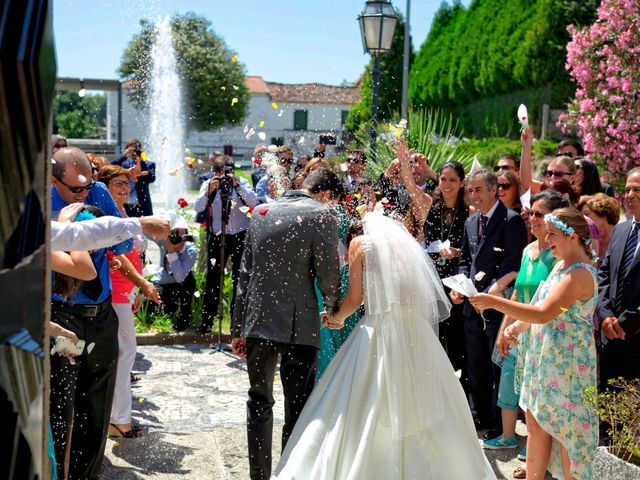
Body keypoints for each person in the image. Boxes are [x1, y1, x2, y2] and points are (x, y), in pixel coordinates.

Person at [273, 210, 497, 480]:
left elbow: (355, 300)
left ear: (355, 235)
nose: (347, 255)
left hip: (379, 329)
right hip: (415, 333)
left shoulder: (360, 244)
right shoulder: (403, 251)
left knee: (367, 401)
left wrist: (336, 318)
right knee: (420, 401)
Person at [231, 168, 344, 480]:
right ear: (326, 195)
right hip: (300, 325)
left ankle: (259, 476)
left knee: (258, 401)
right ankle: (289, 473)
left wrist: (238, 328)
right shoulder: (321, 214)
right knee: (297, 406)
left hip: (258, 321)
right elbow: (328, 271)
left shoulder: (261, 212)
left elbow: (244, 275)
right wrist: (333, 307)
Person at [470, 207, 599, 480]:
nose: (547, 238)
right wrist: (516, 326)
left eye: (553, 234)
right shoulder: (561, 266)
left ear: (572, 236)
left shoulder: (579, 275)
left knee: (566, 433)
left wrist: (493, 301)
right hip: (545, 361)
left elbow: (544, 313)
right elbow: (539, 305)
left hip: (567, 367)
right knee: (537, 425)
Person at [50, 147, 133, 479]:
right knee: (61, 404)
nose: (84, 193)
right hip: (64, 318)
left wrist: (102, 236)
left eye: (89, 185)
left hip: (101, 315)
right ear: (54, 180)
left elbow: (124, 240)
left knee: (96, 405)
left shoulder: (97, 192)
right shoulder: (42, 202)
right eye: (75, 189)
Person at [482, 190, 568, 478]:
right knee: (516, 391)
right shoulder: (528, 250)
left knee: (542, 404)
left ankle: (540, 461)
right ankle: (527, 455)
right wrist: (505, 328)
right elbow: (519, 292)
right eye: (531, 213)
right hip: (518, 331)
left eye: (539, 214)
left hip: (546, 337)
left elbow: (550, 306)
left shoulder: (560, 259)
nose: (532, 218)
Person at [451, 168, 528, 440]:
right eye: (470, 190)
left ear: (494, 190)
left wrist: (490, 296)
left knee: (497, 366)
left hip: (499, 303)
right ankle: (480, 415)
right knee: (475, 364)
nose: (473, 195)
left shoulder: (511, 220)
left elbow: (512, 264)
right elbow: (464, 260)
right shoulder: (470, 222)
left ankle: (498, 422)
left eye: (479, 190)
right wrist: (459, 288)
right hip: (472, 305)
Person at [98, 165, 161, 438]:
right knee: (125, 354)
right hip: (112, 289)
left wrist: (136, 292)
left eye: (126, 184)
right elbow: (117, 258)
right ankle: (119, 419)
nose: (124, 189)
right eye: (117, 184)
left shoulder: (123, 213)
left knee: (123, 354)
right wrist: (143, 285)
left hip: (126, 292)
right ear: (104, 187)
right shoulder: (104, 217)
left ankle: (117, 414)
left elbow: (136, 257)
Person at [195, 156, 258, 333]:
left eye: (227, 171)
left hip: (239, 236)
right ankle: (207, 321)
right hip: (217, 235)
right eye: (219, 171)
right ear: (214, 171)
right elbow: (198, 207)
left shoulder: (241, 182)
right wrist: (208, 191)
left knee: (240, 278)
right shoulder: (209, 184)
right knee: (213, 279)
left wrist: (236, 185)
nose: (223, 175)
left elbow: (253, 202)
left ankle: (236, 324)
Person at [423, 160, 470, 392]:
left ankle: (459, 391)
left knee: (456, 338)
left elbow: (472, 248)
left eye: (453, 180)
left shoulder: (469, 212)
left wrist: (457, 251)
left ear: (462, 183)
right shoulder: (431, 208)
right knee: (435, 337)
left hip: (457, 282)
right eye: (443, 179)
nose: (447, 184)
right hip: (432, 279)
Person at [598, 167, 640, 386]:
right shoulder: (621, 230)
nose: (630, 195)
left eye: (637, 189)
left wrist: (627, 321)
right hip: (611, 339)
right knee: (609, 413)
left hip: (636, 336)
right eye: (627, 190)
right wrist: (605, 315)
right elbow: (604, 274)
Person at [150, 214, 198, 331]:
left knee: (189, 281)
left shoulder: (190, 250)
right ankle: (168, 310)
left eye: (182, 236)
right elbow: (144, 230)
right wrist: (162, 227)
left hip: (180, 283)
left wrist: (171, 252)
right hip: (163, 283)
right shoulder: (163, 241)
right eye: (174, 234)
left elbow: (180, 277)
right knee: (154, 309)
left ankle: (184, 319)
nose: (178, 240)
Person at [111, 138, 156, 217]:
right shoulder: (123, 163)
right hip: (124, 203)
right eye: (131, 149)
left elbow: (151, 178)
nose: (134, 152)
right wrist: (124, 155)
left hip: (142, 204)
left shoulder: (148, 164)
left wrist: (141, 161)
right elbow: (110, 167)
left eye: (135, 149)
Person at [578, 193, 620, 261]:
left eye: (586, 214)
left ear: (603, 212)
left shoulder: (624, 238)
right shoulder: (585, 245)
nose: (584, 219)